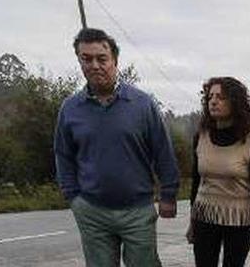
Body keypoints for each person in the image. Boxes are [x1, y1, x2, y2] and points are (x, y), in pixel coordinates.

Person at [54, 28, 180, 266]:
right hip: (92, 211)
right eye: (86, 59)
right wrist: (73, 197)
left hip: (138, 211)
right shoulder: (70, 109)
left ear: (114, 61)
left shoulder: (142, 104)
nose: (94, 65)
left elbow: (163, 151)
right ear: (79, 61)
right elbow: (63, 155)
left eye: (102, 59)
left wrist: (169, 194)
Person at [188, 76, 250, 267]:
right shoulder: (200, 138)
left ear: (235, 102)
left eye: (221, 97)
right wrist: (192, 221)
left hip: (239, 222)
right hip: (204, 218)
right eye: (210, 97)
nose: (214, 101)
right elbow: (195, 183)